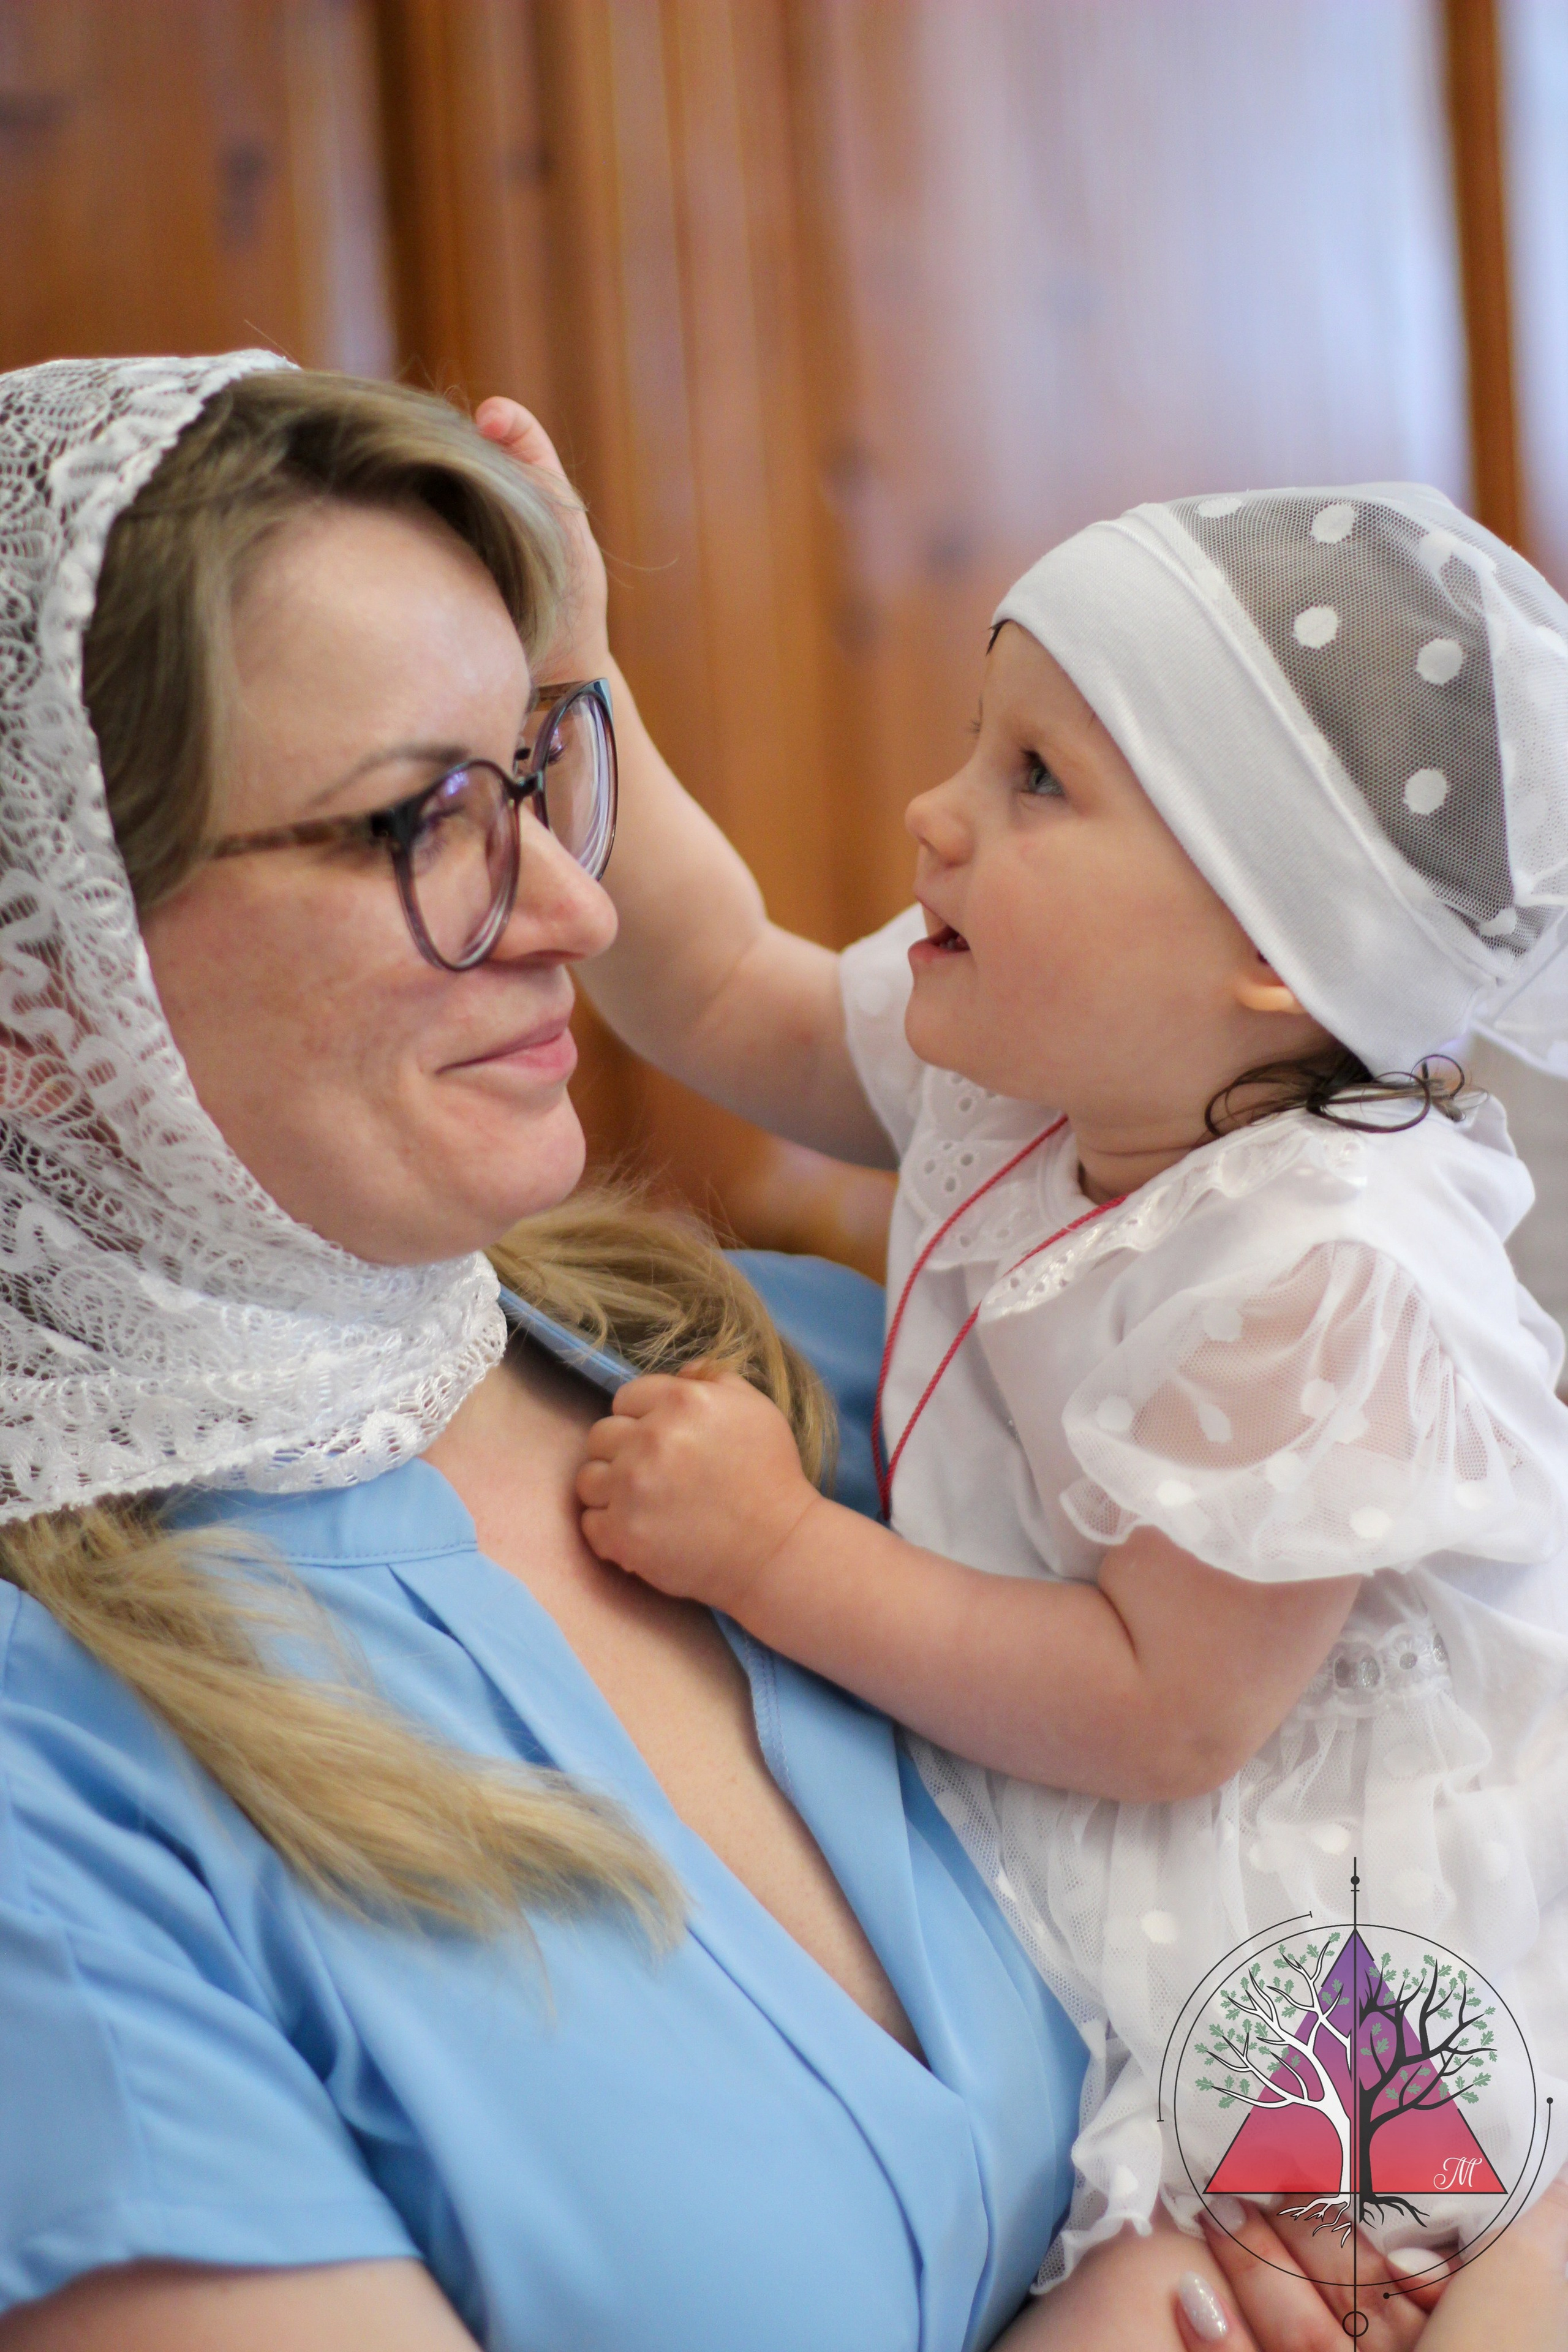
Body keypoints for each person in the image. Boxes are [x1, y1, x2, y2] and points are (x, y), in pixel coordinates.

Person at [0, 349, 1550, 2352]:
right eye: (419, 819)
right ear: (43, 981)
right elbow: (722, 974)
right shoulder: (60, 1819)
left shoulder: (801, 1366)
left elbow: (1277, 1748)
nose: (566, 902)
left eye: (544, 766)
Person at [562, 463, 1568, 2339]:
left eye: (1041, 780)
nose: (937, 814)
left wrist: (779, 1554)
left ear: (1276, 944)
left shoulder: (1330, 1267)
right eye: (977, 743)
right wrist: (577, 687)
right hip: (1150, 1829)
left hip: (1346, 1933)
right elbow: (713, 982)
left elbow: (1167, 1709)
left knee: (1291, 2288)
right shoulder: (1039, 1068)